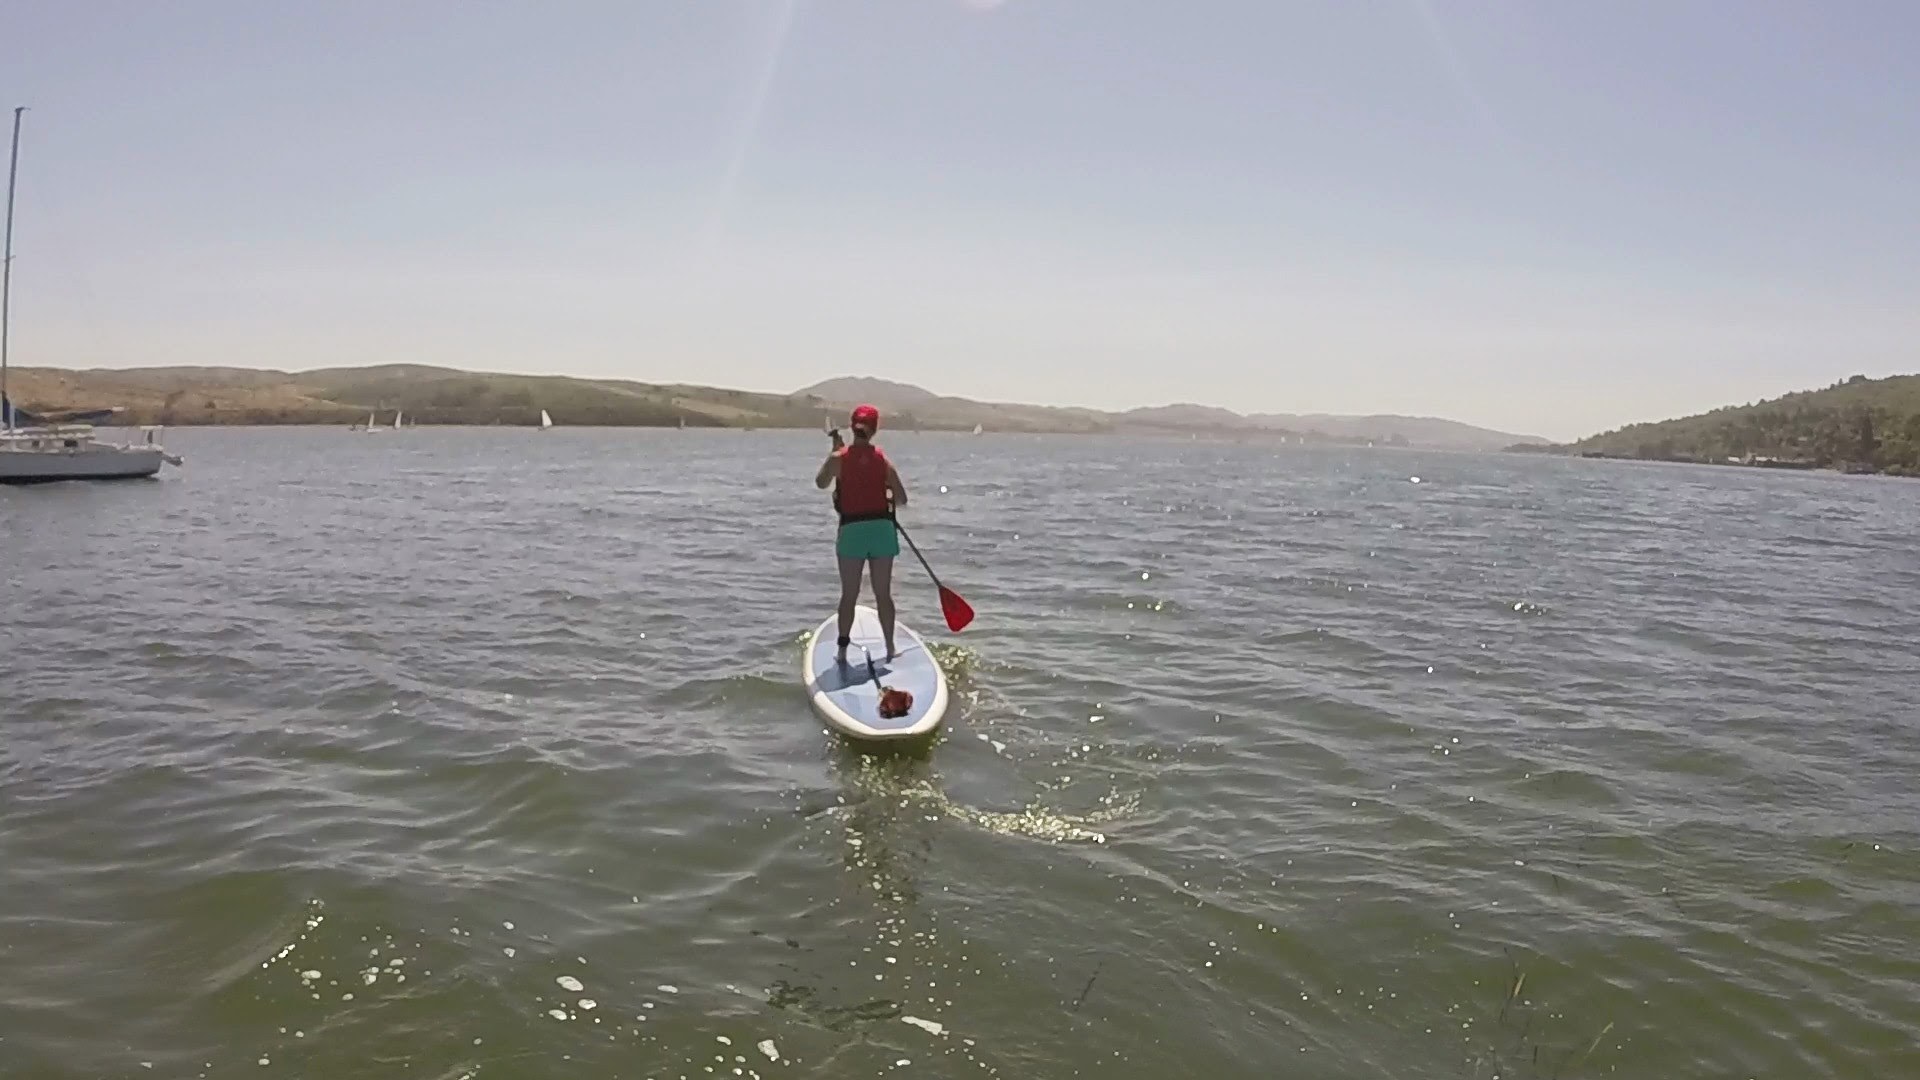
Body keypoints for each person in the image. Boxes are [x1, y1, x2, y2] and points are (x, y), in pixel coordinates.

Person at [816, 403, 909, 664]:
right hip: (882, 531)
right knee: (883, 593)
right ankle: (890, 648)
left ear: (852, 426)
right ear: (875, 430)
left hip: (852, 531)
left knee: (849, 594)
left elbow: (821, 483)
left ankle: (843, 651)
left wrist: (837, 459)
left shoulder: (839, 459)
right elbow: (901, 499)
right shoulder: (883, 460)